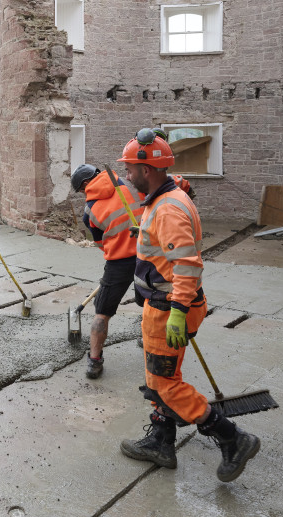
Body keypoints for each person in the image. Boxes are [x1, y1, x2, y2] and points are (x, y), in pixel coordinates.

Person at [116, 128, 260, 482]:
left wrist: (178, 311)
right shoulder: (168, 197)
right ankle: (161, 442)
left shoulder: (168, 209)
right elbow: (174, 246)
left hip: (170, 310)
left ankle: (232, 437)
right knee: (157, 377)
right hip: (167, 306)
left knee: (166, 384)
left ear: (147, 170)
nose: (127, 175)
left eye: (131, 169)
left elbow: (187, 263)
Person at [72, 160, 196, 380]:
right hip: (146, 256)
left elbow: (100, 243)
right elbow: (171, 187)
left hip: (118, 263)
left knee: (102, 312)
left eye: (81, 190)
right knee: (148, 302)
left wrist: (116, 246)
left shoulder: (89, 210)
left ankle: (94, 361)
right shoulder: (129, 184)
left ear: (84, 187)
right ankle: (146, 338)